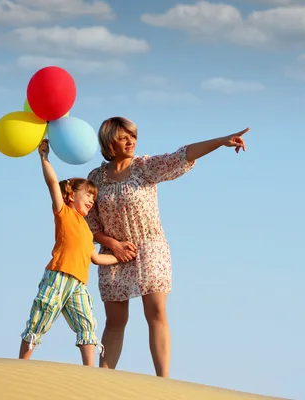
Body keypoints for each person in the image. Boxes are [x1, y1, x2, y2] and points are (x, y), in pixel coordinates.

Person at [81, 116, 248, 377]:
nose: (131, 141)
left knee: (156, 311)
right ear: (109, 142)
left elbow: (183, 155)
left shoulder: (144, 167)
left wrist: (220, 142)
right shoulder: (95, 179)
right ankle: (103, 380)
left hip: (149, 247)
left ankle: (164, 382)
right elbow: (90, 224)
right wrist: (113, 244)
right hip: (113, 254)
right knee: (115, 320)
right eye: (123, 137)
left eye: (133, 136)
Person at [18, 139, 119, 366]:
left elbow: (96, 258)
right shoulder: (63, 213)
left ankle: (89, 370)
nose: (92, 200)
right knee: (39, 320)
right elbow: (53, 183)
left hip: (78, 285)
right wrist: (44, 157)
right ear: (72, 195)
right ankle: (21, 365)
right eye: (88, 196)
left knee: (87, 324)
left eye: (94, 198)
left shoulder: (86, 228)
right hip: (58, 277)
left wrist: (122, 256)